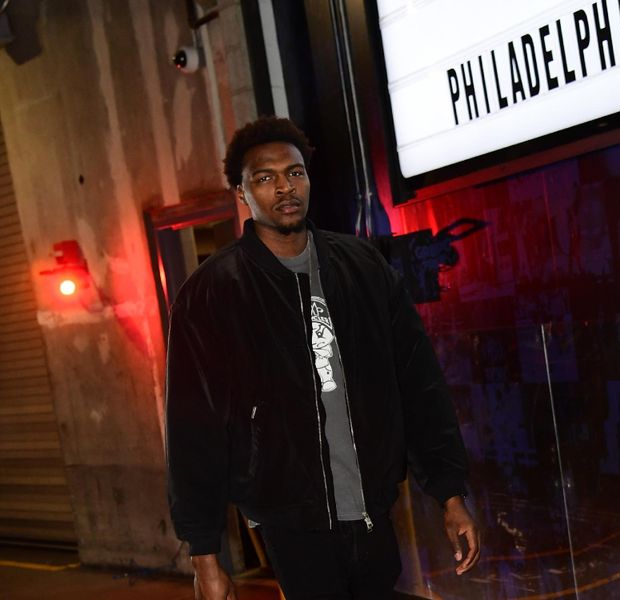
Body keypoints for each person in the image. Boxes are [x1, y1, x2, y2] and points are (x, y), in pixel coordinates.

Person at [165, 116, 480, 600]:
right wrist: (205, 556)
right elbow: (194, 431)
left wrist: (450, 493)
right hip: (291, 522)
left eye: (294, 173)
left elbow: (419, 383)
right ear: (242, 194)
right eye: (264, 178)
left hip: (373, 507)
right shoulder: (212, 293)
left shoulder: (362, 267)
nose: (284, 188)